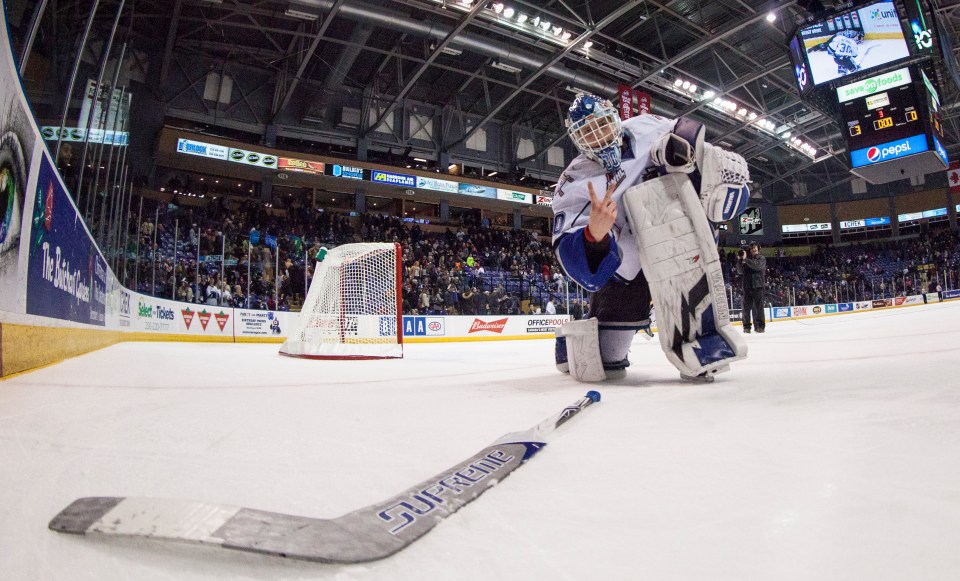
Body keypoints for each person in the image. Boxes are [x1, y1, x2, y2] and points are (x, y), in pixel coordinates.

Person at [552, 92, 750, 382]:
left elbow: (695, 145)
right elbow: (574, 259)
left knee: (674, 157)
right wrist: (594, 235)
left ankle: (701, 339)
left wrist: (718, 178)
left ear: (615, 118)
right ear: (577, 141)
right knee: (609, 361)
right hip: (627, 265)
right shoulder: (574, 182)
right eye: (588, 134)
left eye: (603, 125)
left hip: (677, 242)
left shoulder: (647, 126)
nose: (600, 137)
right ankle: (571, 343)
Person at [737, 243, 766, 333]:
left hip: (758, 286)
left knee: (759, 308)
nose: (753, 250)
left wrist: (746, 260)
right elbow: (740, 271)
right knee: (746, 308)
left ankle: (760, 326)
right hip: (747, 286)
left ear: (758, 249)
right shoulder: (745, 260)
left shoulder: (761, 258)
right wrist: (740, 260)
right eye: (752, 248)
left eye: (755, 248)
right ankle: (746, 327)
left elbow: (756, 266)